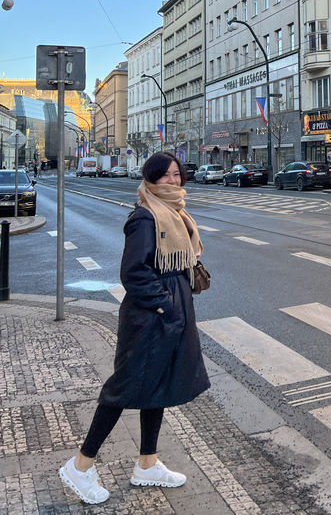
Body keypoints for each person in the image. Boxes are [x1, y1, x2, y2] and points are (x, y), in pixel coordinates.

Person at [59, 152, 210, 504]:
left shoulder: (176, 214)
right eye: (166, 176)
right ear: (151, 179)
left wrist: (178, 300)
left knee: (156, 387)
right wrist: (165, 303)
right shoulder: (145, 218)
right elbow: (133, 272)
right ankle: (80, 466)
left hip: (171, 311)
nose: (174, 181)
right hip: (149, 316)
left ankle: (147, 463)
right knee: (123, 389)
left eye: (177, 175)